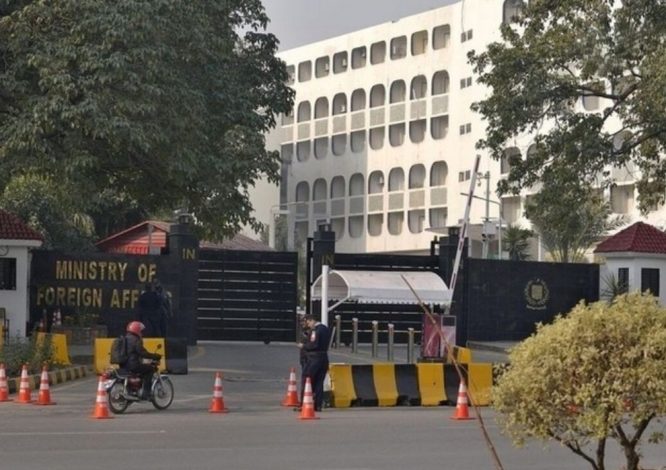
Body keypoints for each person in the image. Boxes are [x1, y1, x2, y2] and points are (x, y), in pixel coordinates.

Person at [121, 321, 162, 400]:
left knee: (141, 370)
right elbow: (142, 353)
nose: (141, 333)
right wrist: (155, 356)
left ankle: (133, 390)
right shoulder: (136, 340)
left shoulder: (125, 339)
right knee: (150, 369)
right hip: (133, 364)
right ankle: (146, 393)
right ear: (137, 330)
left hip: (124, 365)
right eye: (140, 331)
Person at [299, 314, 330, 412]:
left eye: (308, 322)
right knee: (319, 382)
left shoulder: (315, 330)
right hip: (324, 357)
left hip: (314, 358)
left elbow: (314, 344)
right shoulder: (325, 329)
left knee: (307, 379)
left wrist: (303, 346)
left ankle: (304, 404)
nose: (308, 325)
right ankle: (318, 405)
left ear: (312, 320)